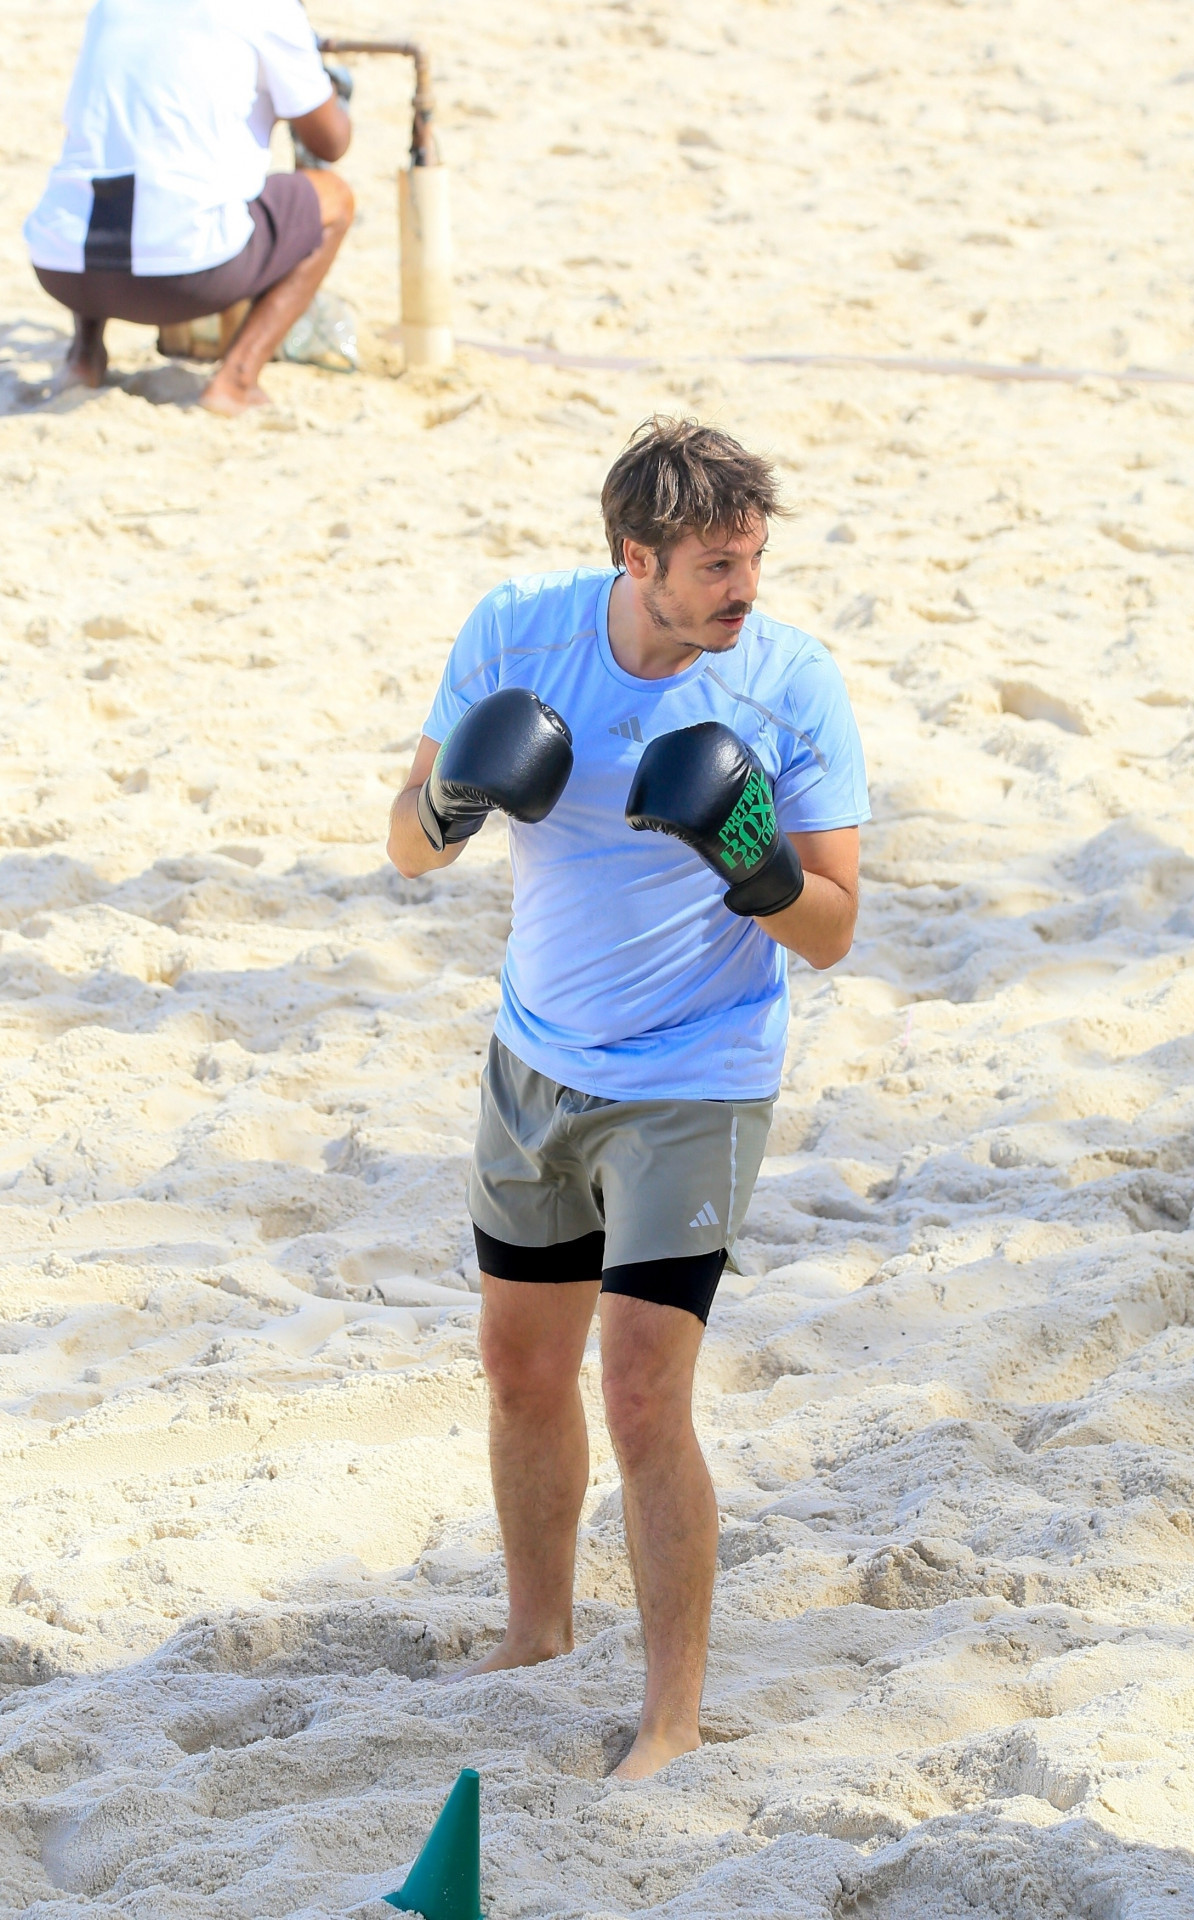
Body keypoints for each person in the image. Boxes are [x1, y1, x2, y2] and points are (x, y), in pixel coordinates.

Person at [387, 418, 871, 1780]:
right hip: (535, 1060)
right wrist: (459, 802)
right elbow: (406, 848)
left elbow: (832, 930)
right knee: (520, 1369)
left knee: (644, 1395)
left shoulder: (788, 683)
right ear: (635, 554)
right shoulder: (516, 633)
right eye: (719, 565)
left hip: (696, 1078)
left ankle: (670, 1718)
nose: (747, 589)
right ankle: (536, 1633)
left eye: (756, 559)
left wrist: (753, 859)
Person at [24, 0, 354, 416]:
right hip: (186, 279)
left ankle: (83, 357)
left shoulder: (110, 6)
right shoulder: (269, 9)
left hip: (62, 268)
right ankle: (235, 381)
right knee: (335, 197)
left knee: (113, 157)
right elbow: (330, 143)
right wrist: (325, 80)